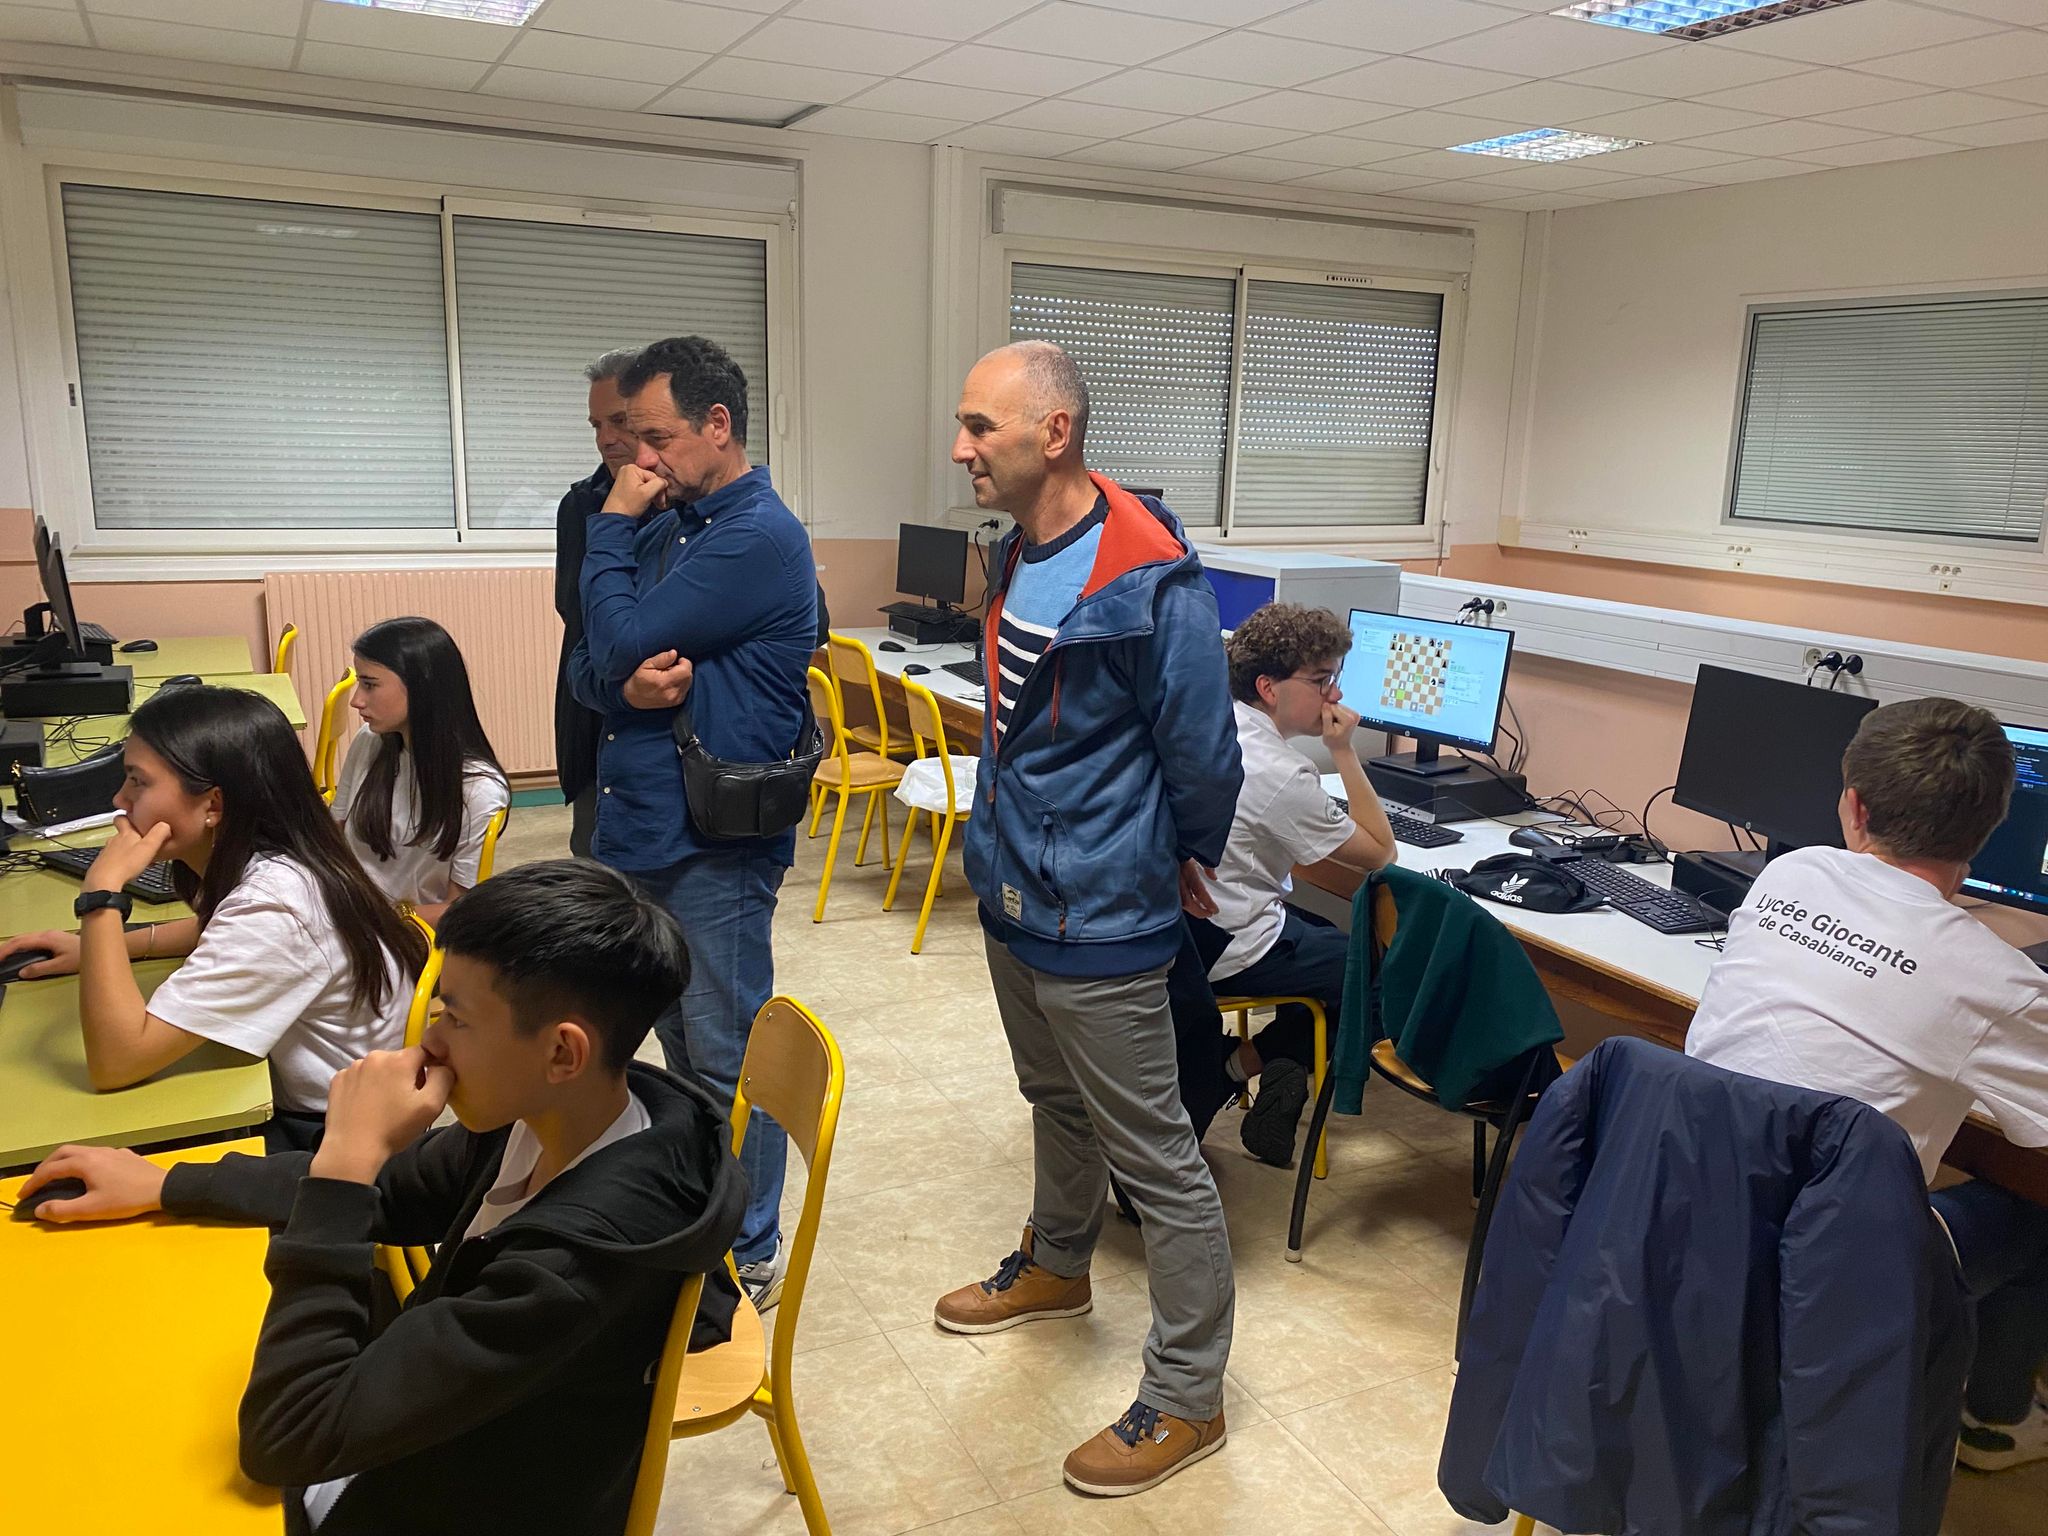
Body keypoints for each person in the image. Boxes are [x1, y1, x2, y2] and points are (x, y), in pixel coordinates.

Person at [16, 859, 747, 1536]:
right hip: (419, 1436)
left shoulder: (572, 1272)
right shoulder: (549, 1112)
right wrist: (167, 1183)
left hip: (446, 1499)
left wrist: (346, 1163)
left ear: (562, 1051)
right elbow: (403, 1190)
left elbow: (289, 1438)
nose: (431, 1041)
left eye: (455, 1017)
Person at [933, 339, 1244, 1498]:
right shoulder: (1018, 547)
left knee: (1156, 1157)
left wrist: (1185, 854)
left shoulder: (1148, 572)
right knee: (1047, 1095)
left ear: (1050, 432)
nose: (960, 447)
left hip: (1102, 907)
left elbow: (1201, 751)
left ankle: (1185, 1395)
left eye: (979, 426)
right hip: (1013, 885)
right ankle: (1057, 1265)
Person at [1686, 697, 2048, 1470]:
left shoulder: (1789, 872)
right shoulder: (1999, 983)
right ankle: (1995, 1423)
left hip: (1686, 1218)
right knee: (2031, 1213)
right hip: (1831, 1273)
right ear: (1994, 825)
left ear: (1853, 806)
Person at [568, 333, 816, 1309]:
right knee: (674, 1041)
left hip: (714, 842)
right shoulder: (680, 520)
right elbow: (595, 663)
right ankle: (700, 1209)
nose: (642, 459)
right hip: (643, 830)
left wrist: (613, 527)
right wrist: (621, 675)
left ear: (719, 425)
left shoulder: (751, 534)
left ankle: (745, 1249)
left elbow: (623, 631)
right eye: (635, 442)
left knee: (725, 1051)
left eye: (659, 438)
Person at [0, 686, 424, 1150]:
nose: (120, 799)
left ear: (213, 806)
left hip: (329, 1138)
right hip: (328, 1107)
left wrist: (101, 896)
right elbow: (221, 930)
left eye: (138, 782)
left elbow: (115, 1063)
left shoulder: (277, 906)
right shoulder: (277, 858)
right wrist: (112, 947)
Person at [1185, 601, 1397, 1168]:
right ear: (1268, 687)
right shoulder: (1282, 773)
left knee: (1331, 936)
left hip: (1191, 929)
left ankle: (1267, 1065)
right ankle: (1231, 1068)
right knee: (1382, 976)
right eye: (1321, 680)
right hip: (1232, 941)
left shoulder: (1214, 724)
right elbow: (1380, 850)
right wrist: (1343, 750)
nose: (1333, 695)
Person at [332, 616, 510, 927]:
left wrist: (377, 918)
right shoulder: (369, 742)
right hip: (345, 909)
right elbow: (335, 832)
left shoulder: (478, 790)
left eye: (370, 685)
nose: (357, 700)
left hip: (396, 934)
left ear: (422, 686)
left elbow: (457, 909)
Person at [555, 348, 642, 860]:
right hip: (596, 699)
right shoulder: (582, 503)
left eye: (619, 422)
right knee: (594, 860)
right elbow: (576, 609)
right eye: (595, 424)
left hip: (673, 728)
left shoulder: (692, 503)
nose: (606, 438)